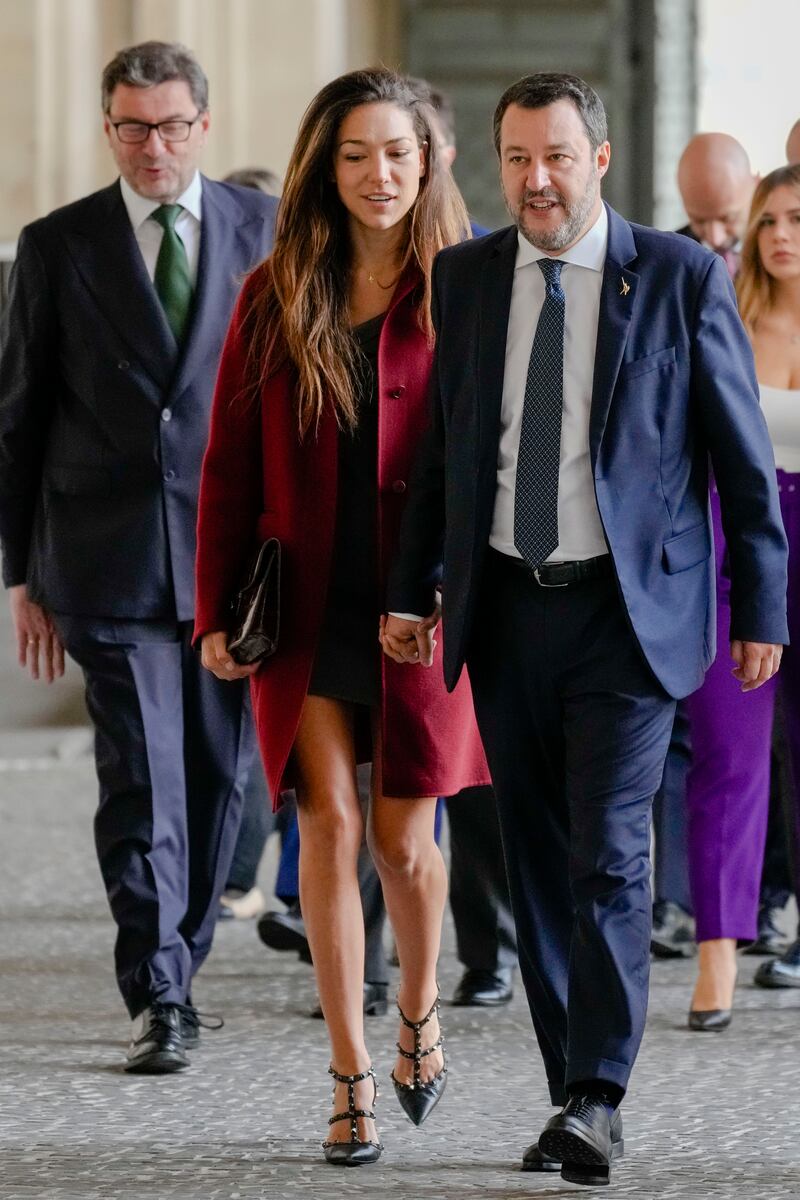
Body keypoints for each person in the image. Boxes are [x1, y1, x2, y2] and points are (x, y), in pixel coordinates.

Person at [382, 72, 786, 1186]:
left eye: (556, 156)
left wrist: (760, 603)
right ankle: (575, 1091)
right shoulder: (466, 278)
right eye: (516, 158)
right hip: (506, 610)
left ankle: (599, 1094)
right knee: (536, 858)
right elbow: (446, 451)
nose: (536, 180)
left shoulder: (677, 276)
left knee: (609, 854)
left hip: (627, 614)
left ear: (598, 159)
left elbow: (739, 456)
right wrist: (412, 590)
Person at [193, 69, 489, 1166]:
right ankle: (350, 1072)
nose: (378, 174)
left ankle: (418, 1011)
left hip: (424, 602)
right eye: (355, 154)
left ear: (428, 161)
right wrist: (213, 609)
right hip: (307, 601)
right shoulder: (274, 290)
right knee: (326, 824)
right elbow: (227, 464)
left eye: (397, 153)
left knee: (405, 842)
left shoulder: (468, 286)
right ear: (325, 166)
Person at [0, 41, 278, 1074]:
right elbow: (19, 418)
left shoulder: (267, 228)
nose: (151, 147)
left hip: (232, 561)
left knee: (216, 776)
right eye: (131, 128)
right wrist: (21, 574)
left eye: (168, 126)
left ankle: (182, 959)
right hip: (106, 558)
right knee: (141, 776)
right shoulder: (58, 244)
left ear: (203, 125)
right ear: (108, 128)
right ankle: (156, 989)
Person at [731, 164, 800, 992]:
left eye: (797, 219)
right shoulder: (734, 319)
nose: (781, 234)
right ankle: (748, 910)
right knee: (759, 741)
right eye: (770, 220)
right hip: (753, 542)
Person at [676, 132, 757, 272]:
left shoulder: (783, 246)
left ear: (756, 187)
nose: (715, 239)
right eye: (699, 221)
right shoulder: (670, 259)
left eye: (728, 218)